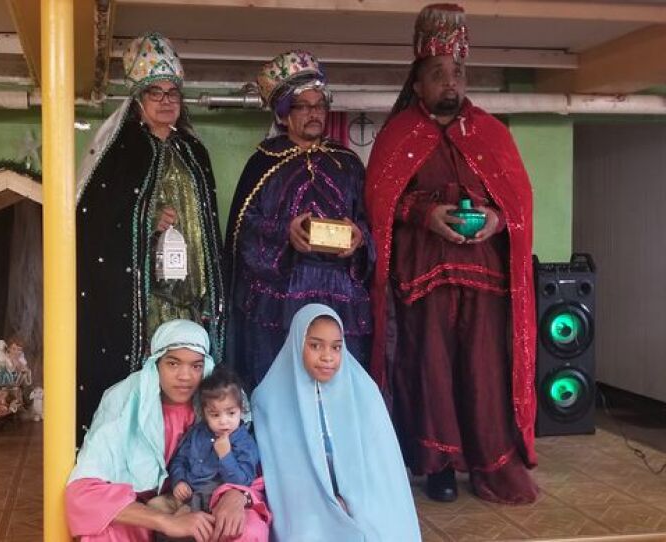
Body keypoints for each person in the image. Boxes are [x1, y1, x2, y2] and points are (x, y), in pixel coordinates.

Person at [365, 3, 538, 504]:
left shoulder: (492, 133)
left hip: (485, 279)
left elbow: (518, 204)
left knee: (485, 372)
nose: (450, 83)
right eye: (438, 74)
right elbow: (380, 203)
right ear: (417, 83)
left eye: (457, 73)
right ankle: (437, 465)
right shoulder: (397, 136)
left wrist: (498, 219)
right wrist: (424, 214)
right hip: (423, 280)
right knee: (430, 371)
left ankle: (489, 463)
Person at [75, 32, 226, 438]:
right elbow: (96, 223)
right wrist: (144, 223)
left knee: (188, 386)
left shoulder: (194, 152)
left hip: (189, 300)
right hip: (140, 302)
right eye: (155, 93)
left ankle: (189, 462)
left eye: (172, 92)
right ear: (138, 100)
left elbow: (208, 226)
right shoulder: (118, 154)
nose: (166, 100)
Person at [224, 50, 374, 390]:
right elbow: (243, 233)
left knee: (338, 390)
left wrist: (359, 238)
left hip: (341, 300)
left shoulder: (348, 164)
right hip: (279, 303)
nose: (313, 113)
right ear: (283, 114)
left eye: (319, 105)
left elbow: (369, 224)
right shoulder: (263, 164)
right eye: (303, 106)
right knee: (282, 389)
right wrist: (285, 234)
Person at [65, 320, 270, 542]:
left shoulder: (220, 406)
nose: (185, 376)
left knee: (246, 530)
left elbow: (253, 472)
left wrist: (236, 494)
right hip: (144, 510)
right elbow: (84, 492)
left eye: (196, 366)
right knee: (104, 536)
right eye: (173, 364)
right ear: (155, 364)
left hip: (209, 499)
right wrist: (167, 522)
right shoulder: (125, 401)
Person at [252, 304, 420, 541]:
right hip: (306, 504)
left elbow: (379, 466)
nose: (327, 356)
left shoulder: (364, 392)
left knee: (378, 529)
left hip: (362, 497)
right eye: (315, 345)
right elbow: (284, 475)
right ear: (296, 343)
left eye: (336, 347)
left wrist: (349, 498)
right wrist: (327, 503)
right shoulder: (269, 399)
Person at [149, 367, 259, 515]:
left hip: (213, 502)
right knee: (153, 506)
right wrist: (179, 481)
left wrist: (226, 456)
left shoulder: (245, 443)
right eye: (215, 415)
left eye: (231, 413)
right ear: (204, 413)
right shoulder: (198, 433)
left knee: (181, 518)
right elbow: (179, 460)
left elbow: (243, 482)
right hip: (187, 495)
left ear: (241, 409)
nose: (223, 421)